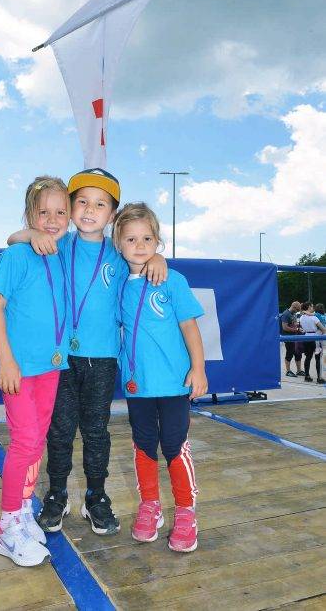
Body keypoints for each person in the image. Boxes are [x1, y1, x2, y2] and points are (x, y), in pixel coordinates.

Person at [7, 168, 168, 536]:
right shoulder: (58, 242)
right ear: (70, 207)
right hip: (61, 357)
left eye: (100, 204)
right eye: (82, 202)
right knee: (60, 429)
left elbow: (145, 254)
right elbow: (14, 238)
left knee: (96, 430)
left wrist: (158, 259)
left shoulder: (119, 252)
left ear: (112, 215)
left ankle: (96, 496)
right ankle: (57, 494)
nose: (90, 210)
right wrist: (31, 233)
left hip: (104, 358)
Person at [112, 202, 207, 552]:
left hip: (173, 383)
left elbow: (189, 326)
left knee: (174, 445)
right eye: (131, 239)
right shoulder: (118, 283)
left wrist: (198, 368)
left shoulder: (172, 279)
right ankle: (150, 505)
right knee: (143, 444)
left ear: (158, 241)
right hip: (137, 384)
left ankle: (185, 511)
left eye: (147, 239)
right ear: (118, 244)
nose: (139, 245)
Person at [0, 175, 71, 567]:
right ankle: (7, 529)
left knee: (36, 442)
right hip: (18, 369)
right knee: (24, 443)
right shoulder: (16, 256)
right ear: (29, 215)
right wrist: (6, 360)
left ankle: (21, 510)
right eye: (43, 213)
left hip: (50, 367)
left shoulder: (61, 251)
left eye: (60, 212)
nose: (52, 220)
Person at [299, 302, 325, 383]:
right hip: (315, 338)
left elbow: (302, 328)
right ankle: (319, 378)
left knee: (308, 357)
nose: (313, 308)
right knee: (318, 359)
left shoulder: (301, 318)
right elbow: (323, 329)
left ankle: (307, 376)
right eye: (312, 306)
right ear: (309, 307)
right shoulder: (314, 318)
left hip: (306, 337)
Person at [280, 301, 304, 377]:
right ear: (293, 307)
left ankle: (299, 370)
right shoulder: (286, 314)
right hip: (288, 337)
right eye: (297, 310)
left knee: (298, 353)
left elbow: (294, 324)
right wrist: (296, 330)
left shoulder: (293, 314)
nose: (297, 311)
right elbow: (284, 327)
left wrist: (298, 328)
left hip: (295, 336)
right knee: (289, 353)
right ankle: (288, 371)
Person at [314, 303, 326, 383]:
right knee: (324, 354)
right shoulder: (324, 315)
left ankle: (319, 376)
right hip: (324, 334)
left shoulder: (316, 315)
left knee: (317, 355)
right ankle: (322, 375)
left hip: (318, 333)